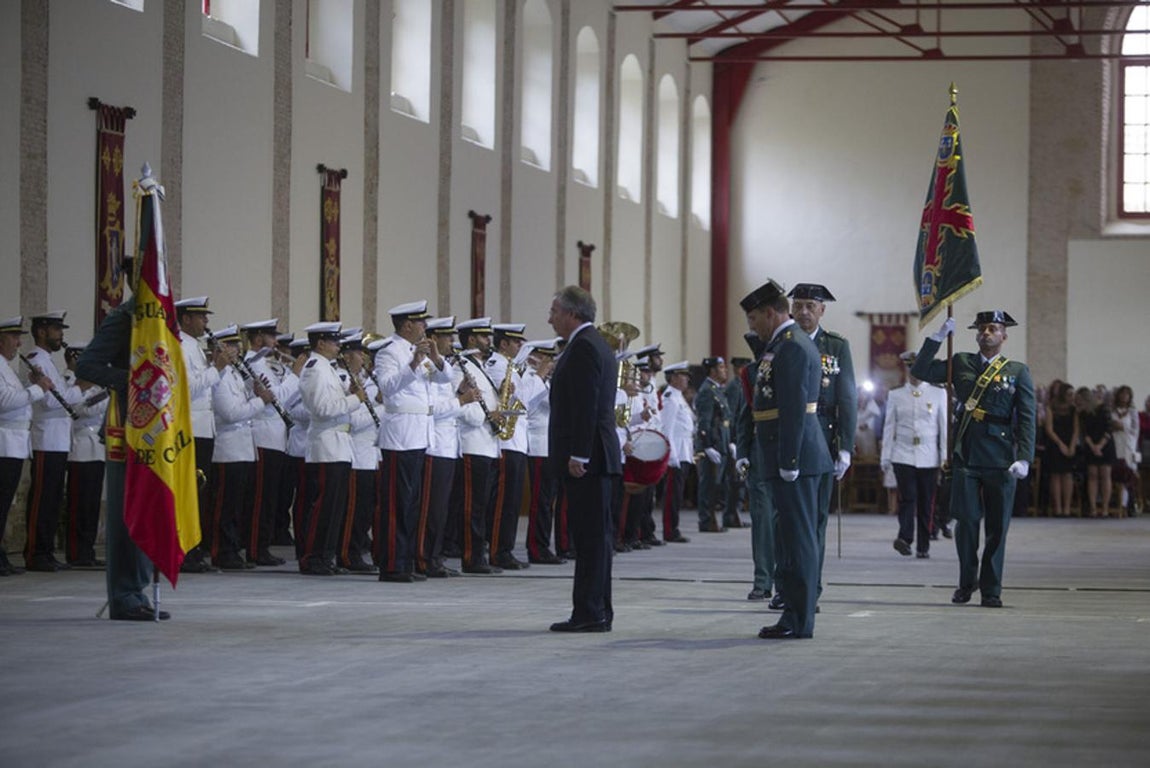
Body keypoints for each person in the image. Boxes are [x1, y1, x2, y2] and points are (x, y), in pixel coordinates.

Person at [911, 310, 1036, 608]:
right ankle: (966, 582)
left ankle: (991, 589)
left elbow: (1028, 418)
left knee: (997, 527)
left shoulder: (1017, 371)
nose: (986, 333)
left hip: (1002, 457)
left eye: (993, 328)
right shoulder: (961, 362)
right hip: (966, 454)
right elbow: (922, 370)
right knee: (966, 524)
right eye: (982, 328)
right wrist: (936, 339)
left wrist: (1024, 457)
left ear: (1004, 336)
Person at [740, 279, 832, 639]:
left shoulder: (792, 346)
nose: (752, 327)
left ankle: (800, 619)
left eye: (754, 319)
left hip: (796, 457)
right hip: (781, 453)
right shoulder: (780, 344)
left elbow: (794, 408)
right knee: (789, 541)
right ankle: (792, 615)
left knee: (798, 541)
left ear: (770, 312)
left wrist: (789, 460)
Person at [75, 297, 170, 620]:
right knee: (125, 513)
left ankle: (138, 590)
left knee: (147, 510)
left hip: (154, 427)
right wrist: (130, 379)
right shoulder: (123, 317)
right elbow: (86, 366)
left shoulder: (156, 317)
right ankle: (123, 594)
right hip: (125, 427)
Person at [547, 286, 621, 633]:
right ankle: (598, 609)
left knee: (590, 538)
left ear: (572, 314)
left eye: (555, 311)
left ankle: (589, 612)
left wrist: (578, 454)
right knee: (596, 538)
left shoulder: (583, 348)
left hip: (587, 459)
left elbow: (586, 406)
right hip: (597, 455)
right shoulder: (595, 344)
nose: (550, 318)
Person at [374, 300, 448, 583]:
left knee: (412, 504)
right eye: (421, 322)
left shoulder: (422, 350)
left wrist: (437, 358)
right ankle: (392, 564)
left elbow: (445, 380)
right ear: (407, 325)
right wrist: (414, 362)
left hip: (420, 433)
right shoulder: (389, 352)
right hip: (400, 435)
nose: (425, 327)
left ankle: (405, 562)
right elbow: (388, 387)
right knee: (397, 503)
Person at [298, 321, 364, 575]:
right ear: (321, 343)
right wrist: (354, 400)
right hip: (326, 445)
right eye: (334, 341)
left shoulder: (328, 368)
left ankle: (326, 557)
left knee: (335, 507)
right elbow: (322, 409)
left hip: (338, 445)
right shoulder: (315, 368)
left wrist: (349, 395)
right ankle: (313, 557)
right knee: (324, 507)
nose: (338, 346)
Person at [21, 311, 84, 572]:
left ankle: (45, 551)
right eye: (57, 330)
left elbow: (62, 396)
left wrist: (79, 389)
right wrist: (81, 386)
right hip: (46, 439)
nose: (61, 336)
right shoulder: (38, 361)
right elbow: (49, 401)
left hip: (59, 440)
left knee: (53, 499)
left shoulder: (48, 362)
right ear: (42, 331)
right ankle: (36, 552)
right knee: (42, 499)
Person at [175, 296, 225, 572]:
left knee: (201, 492)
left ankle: (195, 548)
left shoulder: (195, 347)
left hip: (204, 427)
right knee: (191, 491)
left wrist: (216, 368)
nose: (206, 322)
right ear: (185, 319)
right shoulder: (180, 347)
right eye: (201, 317)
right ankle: (186, 549)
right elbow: (187, 389)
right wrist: (216, 369)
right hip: (190, 427)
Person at [881, 352, 947, 559]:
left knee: (926, 502)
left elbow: (943, 427)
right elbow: (889, 426)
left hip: (929, 455)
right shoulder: (896, 394)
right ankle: (905, 538)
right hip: (903, 453)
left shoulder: (938, 394)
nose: (914, 372)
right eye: (910, 368)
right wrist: (886, 455)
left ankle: (924, 544)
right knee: (907, 498)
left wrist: (944, 455)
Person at [0, 315, 52, 577]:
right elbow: (5, 400)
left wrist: (30, 385)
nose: (18, 343)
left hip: (15, 444)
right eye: (13, 337)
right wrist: (37, 390)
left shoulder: (6, 366)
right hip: (3, 444)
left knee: (5, 503)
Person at [733, 332, 775, 601]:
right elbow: (745, 416)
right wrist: (743, 452)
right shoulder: (749, 373)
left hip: (790, 447)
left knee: (789, 519)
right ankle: (762, 579)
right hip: (761, 451)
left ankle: (787, 581)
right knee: (761, 519)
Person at [62, 341, 109, 567]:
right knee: (78, 504)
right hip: (80, 446)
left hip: (97, 447)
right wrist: (109, 393)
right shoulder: (69, 382)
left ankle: (86, 550)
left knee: (91, 504)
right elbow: (80, 410)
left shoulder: (94, 385)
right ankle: (75, 551)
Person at [693, 356, 732, 532]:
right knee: (708, 484)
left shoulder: (716, 389)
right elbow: (704, 420)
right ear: (712, 371)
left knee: (715, 484)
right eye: (721, 368)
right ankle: (706, 520)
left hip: (720, 442)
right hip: (712, 444)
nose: (725, 371)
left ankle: (711, 520)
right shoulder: (707, 391)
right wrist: (707, 445)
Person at [1077, 386, 1116, 518]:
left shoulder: (1104, 408)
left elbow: (1109, 429)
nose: (1078, 404)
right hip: (1091, 445)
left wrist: (1099, 446)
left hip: (1105, 444)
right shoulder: (1083, 413)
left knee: (1105, 475)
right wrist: (1093, 446)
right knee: (1092, 476)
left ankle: (1105, 508)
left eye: (1080, 401)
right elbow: (1085, 432)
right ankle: (1093, 508)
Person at [1043, 381, 1079, 518]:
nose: (1072, 397)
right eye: (1070, 394)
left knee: (1068, 475)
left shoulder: (1073, 409)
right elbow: (1049, 429)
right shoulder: (1051, 408)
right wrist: (1061, 444)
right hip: (1055, 444)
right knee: (1056, 476)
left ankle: (1067, 508)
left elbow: (1076, 430)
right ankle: (1057, 508)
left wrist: (1072, 446)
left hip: (1069, 443)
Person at [1110, 385, 1140, 516]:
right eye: (1122, 394)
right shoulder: (1112, 410)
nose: (1124, 397)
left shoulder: (1132, 412)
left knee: (1129, 475)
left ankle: (1128, 505)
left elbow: (1135, 430)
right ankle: (1117, 505)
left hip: (1128, 445)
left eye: (1126, 395)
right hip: (1115, 445)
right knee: (1116, 475)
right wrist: (1114, 427)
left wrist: (1123, 426)